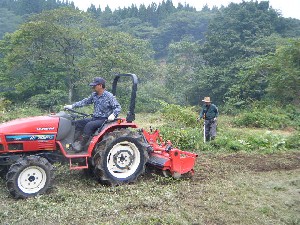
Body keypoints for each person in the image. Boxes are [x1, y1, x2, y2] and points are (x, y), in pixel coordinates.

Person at [64, 77, 121, 152]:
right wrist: (72, 106)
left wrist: (113, 115)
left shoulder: (109, 96)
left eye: (95, 85)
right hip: (95, 118)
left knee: (89, 125)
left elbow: (118, 107)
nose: (93, 87)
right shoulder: (94, 95)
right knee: (77, 123)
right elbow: (85, 101)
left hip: (104, 120)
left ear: (100, 86)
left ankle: (81, 145)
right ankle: (72, 142)